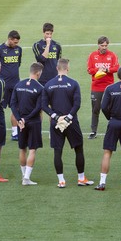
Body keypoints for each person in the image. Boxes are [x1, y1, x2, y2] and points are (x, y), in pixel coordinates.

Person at [42, 58, 93, 188]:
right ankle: (81, 178)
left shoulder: (48, 84)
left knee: (57, 151)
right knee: (78, 149)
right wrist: (68, 118)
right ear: (67, 68)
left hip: (56, 122)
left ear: (57, 68)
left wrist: (56, 117)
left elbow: (43, 105)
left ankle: (61, 181)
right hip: (71, 122)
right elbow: (77, 104)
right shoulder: (73, 83)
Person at [10, 62, 45, 186]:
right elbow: (38, 107)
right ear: (38, 73)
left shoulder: (18, 85)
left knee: (22, 149)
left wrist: (20, 119)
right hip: (33, 122)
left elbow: (13, 104)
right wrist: (27, 118)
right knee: (32, 149)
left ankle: (23, 175)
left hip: (20, 123)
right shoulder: (40, 88)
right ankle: (26, 178)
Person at [0, 30, 23, 141]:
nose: (16, 45)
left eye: (17, 42)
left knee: (16, 108)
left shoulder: (18, 50)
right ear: (9, 39)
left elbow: (18, 63)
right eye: (14, 42)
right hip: (2, 85)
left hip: (15, 84)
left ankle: (15, 133)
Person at [87, 36, 119, 139]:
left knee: (111, 109)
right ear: (98, 45)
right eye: (102, 45)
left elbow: (117, 68)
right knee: (95, 109)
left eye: (106, 45)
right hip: (96, 87)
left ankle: (113, 129)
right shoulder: (92, 55)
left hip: (109, 87)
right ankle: (93, 131)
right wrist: (98, 69)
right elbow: (89, 70)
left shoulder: (112, 55)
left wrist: (107, 70)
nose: (104, 47)